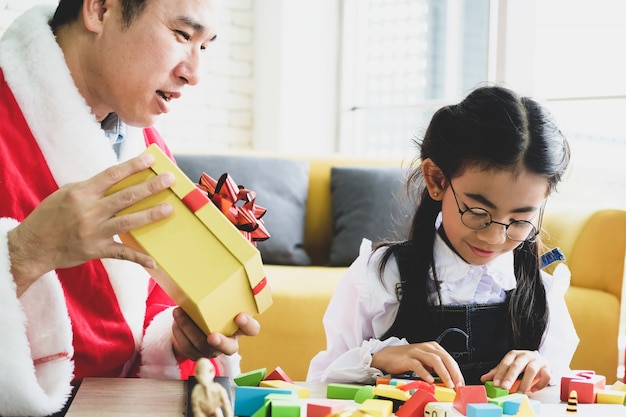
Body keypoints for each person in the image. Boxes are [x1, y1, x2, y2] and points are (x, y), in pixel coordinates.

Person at [0, 0, 259, 415]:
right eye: (181, 35)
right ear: (100, 10)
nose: (193, 73)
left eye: (204, 47)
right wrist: (23, 252)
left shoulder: (148, 149)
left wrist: (174, 340)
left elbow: (152, 301)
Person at [307, 86, 579, 394]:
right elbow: (320, 383)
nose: (494, 237)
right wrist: (378, 358)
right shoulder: (381, 277)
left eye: (520, 220)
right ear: (436, 180)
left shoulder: (542, 291)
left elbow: (563, 391)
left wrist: (543, 369)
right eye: (478, 212)